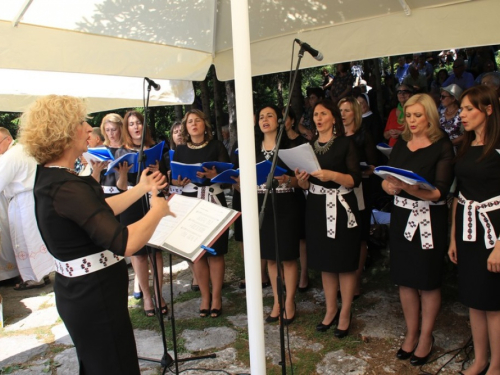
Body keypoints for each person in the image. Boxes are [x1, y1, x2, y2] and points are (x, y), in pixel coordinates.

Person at [21, 95, 172, 374]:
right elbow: (124, 242)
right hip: (93, 298)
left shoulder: (56, 177)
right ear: (64, 132)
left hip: (87, 294)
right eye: (81, 123)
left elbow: (97, 210)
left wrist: (140, 188)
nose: (89, 128)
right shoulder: (66, 187)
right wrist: (157, 211)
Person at [381, 94, 454, 366]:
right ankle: (411, 332)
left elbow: (440, 190)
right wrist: (387, 186)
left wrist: (417, 191)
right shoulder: (401, 142)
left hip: (429, 219)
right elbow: (389, 178)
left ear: (430, 117)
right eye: (408, 116)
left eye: (417, 116)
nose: (411, 121)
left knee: (427, 279)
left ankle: (426, 336)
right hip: (401, 215)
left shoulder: (442, 145)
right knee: (405, 277)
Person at [295, 100, 361, 338]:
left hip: (341, 207)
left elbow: (355, 179)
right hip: (316, 206)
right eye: (315, 114)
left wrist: (332, 175)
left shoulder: (346, 143)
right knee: (325, 260)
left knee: (343, 259)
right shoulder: (309, 146)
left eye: (324, 113)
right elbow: (306, 183)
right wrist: (302, 181)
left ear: (334, 118)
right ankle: (331, 309)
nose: (319, 117)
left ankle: (346, 312)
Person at [448, 85, 500, 375]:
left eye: (469, 109)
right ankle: (480, 360)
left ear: (488, 110)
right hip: (468, 231)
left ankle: (496, 365)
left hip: (494, 234)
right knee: (473, 299)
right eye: (462, 108)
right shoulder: (466, 145)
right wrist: (454, 236)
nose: (463, 115)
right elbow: (460, 194)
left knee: (493, 302)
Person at [173, 109, 230, 318]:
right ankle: (205, 296)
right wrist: (177, 182)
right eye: (190, 122)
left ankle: (216, 296)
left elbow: (228, 178)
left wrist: (216, 175)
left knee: (215, 251)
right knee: (197, 253)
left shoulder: (216, 146)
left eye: (197, 120)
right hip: (189, 202)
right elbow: (175, 179)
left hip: (214, 200)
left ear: (205, 124)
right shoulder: (180, 149)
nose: (194, 124)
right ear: (186, 127)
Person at [250, 105, 300, 325]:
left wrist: (288, 180)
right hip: (261, 204)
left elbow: (301, 180)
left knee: (287, 256)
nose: (265, 119)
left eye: (270, 115)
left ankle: (290, 301)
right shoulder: (251, 148)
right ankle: (277, 301)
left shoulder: (290, 147)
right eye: (261, 116)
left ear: (279, 120)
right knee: (271, 256)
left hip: (286, 203)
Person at [117, 110, 168, 317]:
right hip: (131, 203)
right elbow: (121, 187)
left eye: (138, 123)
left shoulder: (155, 148)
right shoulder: (121, 152)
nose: (136, 127)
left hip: (152, 201)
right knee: (138, 253)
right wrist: (121, 174)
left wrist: (157, 171)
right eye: (131, 124)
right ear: (126, 129)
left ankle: (159, 293)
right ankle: (146, 296)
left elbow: (163, 183)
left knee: (155, 251)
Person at [0, 137, 55, 289]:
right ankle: (42, 274)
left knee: (26, 239)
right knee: (36, 237)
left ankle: (34, 278)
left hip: (23, 201)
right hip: (35, 196)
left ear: (7, 139)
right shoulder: (26, 148)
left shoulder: (11, 155)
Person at [339, 97, 378, 299]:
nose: (343, 114)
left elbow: (374, 167)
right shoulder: (335, 136)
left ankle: (355, 279)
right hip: (337, 191)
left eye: (347, 110)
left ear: (355, 113)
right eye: (340, 110)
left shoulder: (364, 136)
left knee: (359, 235)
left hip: (359, 190)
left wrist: (362, 171)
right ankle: (343, 277)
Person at [283, 107, 309, 292]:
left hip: (299, 190)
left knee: (301, 236)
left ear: (292, 120)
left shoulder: (301, 141)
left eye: (285, 118)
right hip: (281, 192)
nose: (282, 122)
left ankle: (304, 274)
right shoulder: (277, 142)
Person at [439, 84, 464, 149]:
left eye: (443, 97)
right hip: (441, 148)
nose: (440, 99)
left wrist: (449, 144)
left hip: (458, 149)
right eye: (440, 96)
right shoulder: (440, 112)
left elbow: (466, 135)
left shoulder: (462, 113)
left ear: (453, 98)